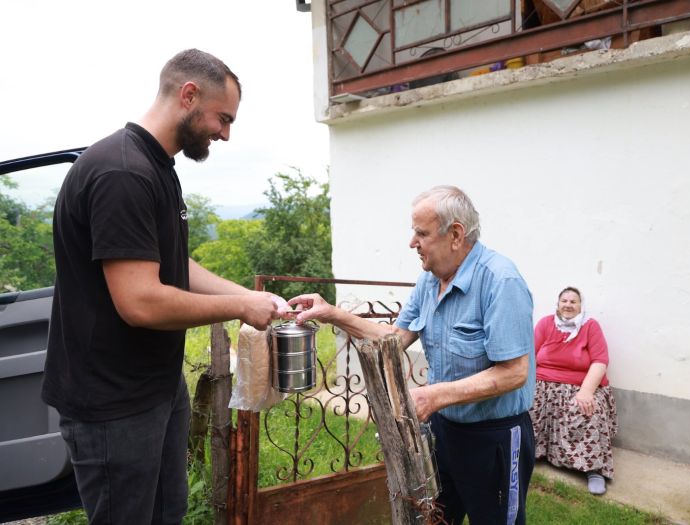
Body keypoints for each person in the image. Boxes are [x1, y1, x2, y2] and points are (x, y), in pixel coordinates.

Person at [42, 49, 287, 524]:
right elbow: (140, 302)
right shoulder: (123, 173)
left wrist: (256, 297)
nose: (226, 133)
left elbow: (175, 265)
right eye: (223, 118)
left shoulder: (156, 167)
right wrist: (239, 307)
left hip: (154, 387)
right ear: (188, 95)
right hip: (113, 401)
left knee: (165, 515)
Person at [289, 185, 536, 525]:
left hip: (494, 439)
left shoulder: (500, 280)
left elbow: (514, 372)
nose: (411, 242)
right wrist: (331, 312)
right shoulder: (429, 281)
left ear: (455, 234)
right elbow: (394, 339)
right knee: (433, 519)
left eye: (421, 233)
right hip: (445, 431)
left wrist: (433, 395)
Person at [529, 286, 617, 496]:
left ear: (580, 306)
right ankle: (532, 453)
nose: (568, 305)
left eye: (573, 301)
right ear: (558, 304)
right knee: (526, 405)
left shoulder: (590, 327)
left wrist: (586, 391)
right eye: (564, 301)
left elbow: (600, 361)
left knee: (587, 411)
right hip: (544, 382)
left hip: (580, 386)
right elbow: (530, 355)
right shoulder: (545, 323)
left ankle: (594, 469)